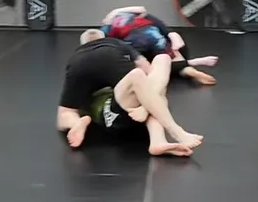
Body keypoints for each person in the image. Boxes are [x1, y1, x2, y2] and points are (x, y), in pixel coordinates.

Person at [56, 29, 203, 157]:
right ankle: (172, 132)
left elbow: (64, 114)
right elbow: (145, 66)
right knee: (156, 66)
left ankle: (154, 130)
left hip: (119, 103)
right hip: (113, 108)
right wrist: (183, 66)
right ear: (104, 38)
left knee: (153, 69)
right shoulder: (115, 43)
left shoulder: (76, 59)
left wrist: (75, 122)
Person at [102, 6, 219, 86]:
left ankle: (188, 66)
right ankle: (188, 70)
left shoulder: (109, 26)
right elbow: (147, 13)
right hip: (154, 36)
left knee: (148, 66)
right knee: (172, 55)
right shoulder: (141, 16)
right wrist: (171, 36)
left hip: (136, 43)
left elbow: (108, 41)